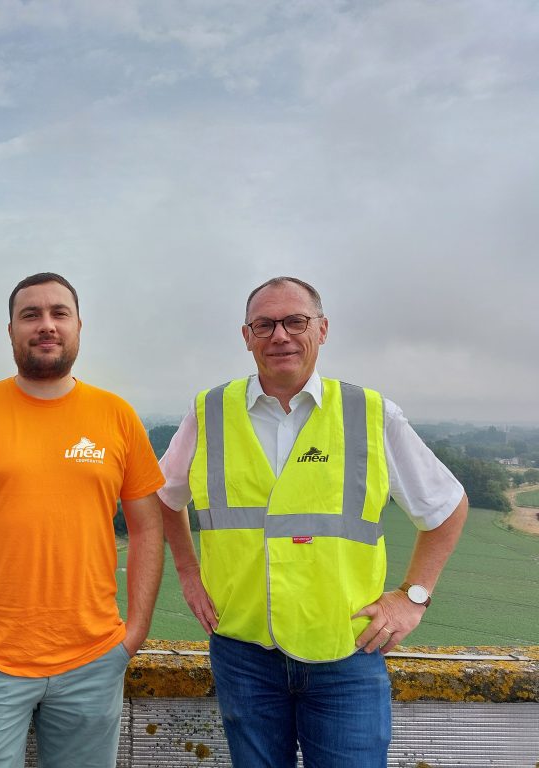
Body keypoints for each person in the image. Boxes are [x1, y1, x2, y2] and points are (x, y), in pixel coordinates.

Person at [158, 276, 468, 767]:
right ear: (247, 336)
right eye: (264, 325)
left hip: (346, 652)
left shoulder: (369, 413)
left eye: (295, 321)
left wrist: (413, 597)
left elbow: (447, 506)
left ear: (321, 330)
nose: (279, 335)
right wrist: (188, 572)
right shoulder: (209, 411)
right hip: (243, 651)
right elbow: (162, 496)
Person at [0, 272, 165, 768]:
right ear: (9, 330)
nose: (46, 325)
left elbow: (148, 527)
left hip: (94, 661)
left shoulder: (117, 415)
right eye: (31, 314)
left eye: (59, 313)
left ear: (78, 326)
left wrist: (133, 633)